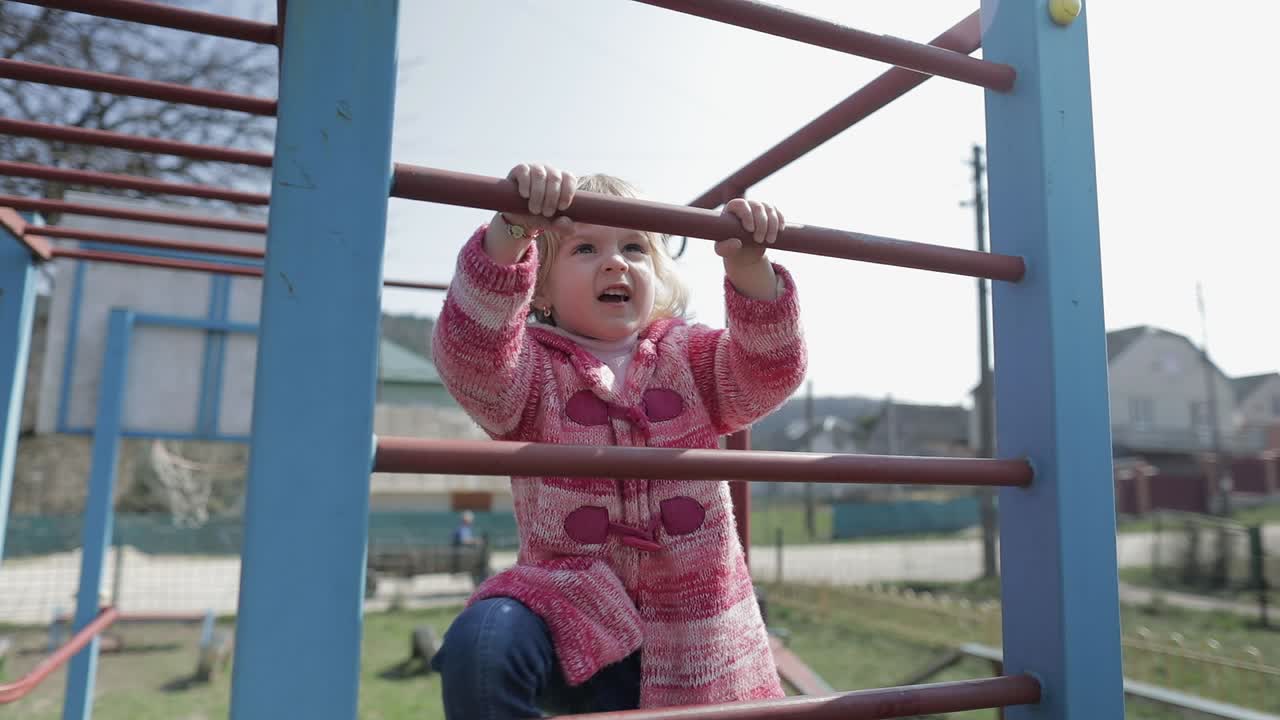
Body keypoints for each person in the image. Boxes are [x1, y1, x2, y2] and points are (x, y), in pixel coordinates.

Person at [430, 162, 806, 717]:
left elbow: (769, 369)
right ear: (539, 290)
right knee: (482, 642)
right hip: (571, 605)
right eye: (585, 250)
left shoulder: (691, 358)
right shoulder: (530, 371)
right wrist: (512, 229)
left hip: (695, 624)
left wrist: (750, 266)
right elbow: (472, 359)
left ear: (656, 274)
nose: (614, 261)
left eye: (635, 248)